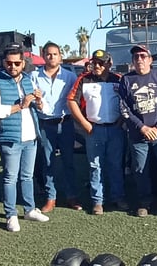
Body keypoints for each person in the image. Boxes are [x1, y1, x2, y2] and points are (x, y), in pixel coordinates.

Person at [0, 42, 49, 232]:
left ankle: (29, 209)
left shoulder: (28, 79)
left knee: (27, 176)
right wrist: (21, 105)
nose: (12, 67)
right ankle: (10, 214)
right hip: (9, 137)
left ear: (23, 63)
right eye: (9, 63)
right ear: (3, 62)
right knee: (10, 178)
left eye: (17, 63)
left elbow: (38, 108)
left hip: (30, 136)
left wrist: (38, 101)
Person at [119, 44, 157, 218]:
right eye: (136, 57)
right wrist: (142, 127)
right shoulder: (126, 80)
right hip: (138, 135)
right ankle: (145, 202)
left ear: (150, 60)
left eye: (143, 56)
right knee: (140, 170)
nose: (139, 60)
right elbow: (123, 108)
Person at [67, 49, 128, 215]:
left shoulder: (119, 79)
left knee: (116, 165)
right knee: (95, 166)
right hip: (94, 129)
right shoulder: (84, 79)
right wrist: (84, 123)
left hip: (115, 129)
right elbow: (71, 100)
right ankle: (97, 201)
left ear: (109, 63)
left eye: (102, 63)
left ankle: (118, 197)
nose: (98, 66)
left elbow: (127, 101)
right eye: (95, 62)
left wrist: (122, 120)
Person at [32, 42, 82, 213]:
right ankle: (50, 197)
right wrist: (37, 102)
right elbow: (31, 100)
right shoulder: (34, 76)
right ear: (44, 56)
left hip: (66, 123)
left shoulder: (70, 76)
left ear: (60, 56)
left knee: (69, 162)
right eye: (48, 54)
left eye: (55, 54)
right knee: (48, 162)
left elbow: (75, 98)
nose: (52, 57)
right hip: (46, 125)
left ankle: (71, 196)